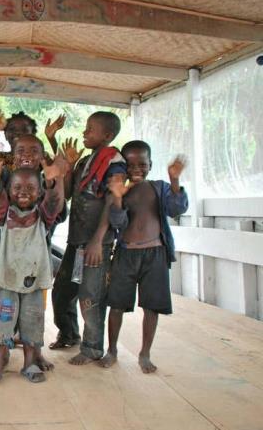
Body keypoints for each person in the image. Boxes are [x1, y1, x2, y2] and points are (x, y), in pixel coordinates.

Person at [99, 141, 188, 373]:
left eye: (143, 164)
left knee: (152, 307)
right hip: (126, 253)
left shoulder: (159, 187)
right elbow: (118, 223)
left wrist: (175, 180)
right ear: (122, 166)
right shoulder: (121, 190)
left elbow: (176, 209)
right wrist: (118, 198)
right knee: (116, 305)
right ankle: (112, 350)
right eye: (130, 164)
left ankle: (145, 353)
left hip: (155, 255)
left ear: (151, 165)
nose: (137, 168)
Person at [0, 160, 65, 387]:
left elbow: (54, 203)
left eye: (30, 189)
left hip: (34, 282)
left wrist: (53, 181)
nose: (23, 192)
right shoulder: (4, 215)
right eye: (17, 188)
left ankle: (29, 363)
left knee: (32, 322)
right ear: (9, 191)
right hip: (7, 281)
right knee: (2, 321)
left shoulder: (43, 217)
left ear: (39, 193)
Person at [50, 112, 127, 365]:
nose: (84, 132)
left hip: (95, 244)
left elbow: (110, 201)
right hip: (77, 242)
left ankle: (92, 347)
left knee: (91, 295)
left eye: (90, 129)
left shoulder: (114, 161)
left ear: (107, 135)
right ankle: (69, 333)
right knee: (63, 290)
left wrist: (98, 240)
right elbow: (71, 192)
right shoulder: (86, 160)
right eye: (85, 127)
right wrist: (69, 167)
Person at [0, 110, 66, 170]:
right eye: (12, 129)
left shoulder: (38, 156)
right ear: (5, 135)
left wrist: (51, 139)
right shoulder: (2, 158)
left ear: (33, 135)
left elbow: (59, 167)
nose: (18, 133)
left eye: (24, 130)